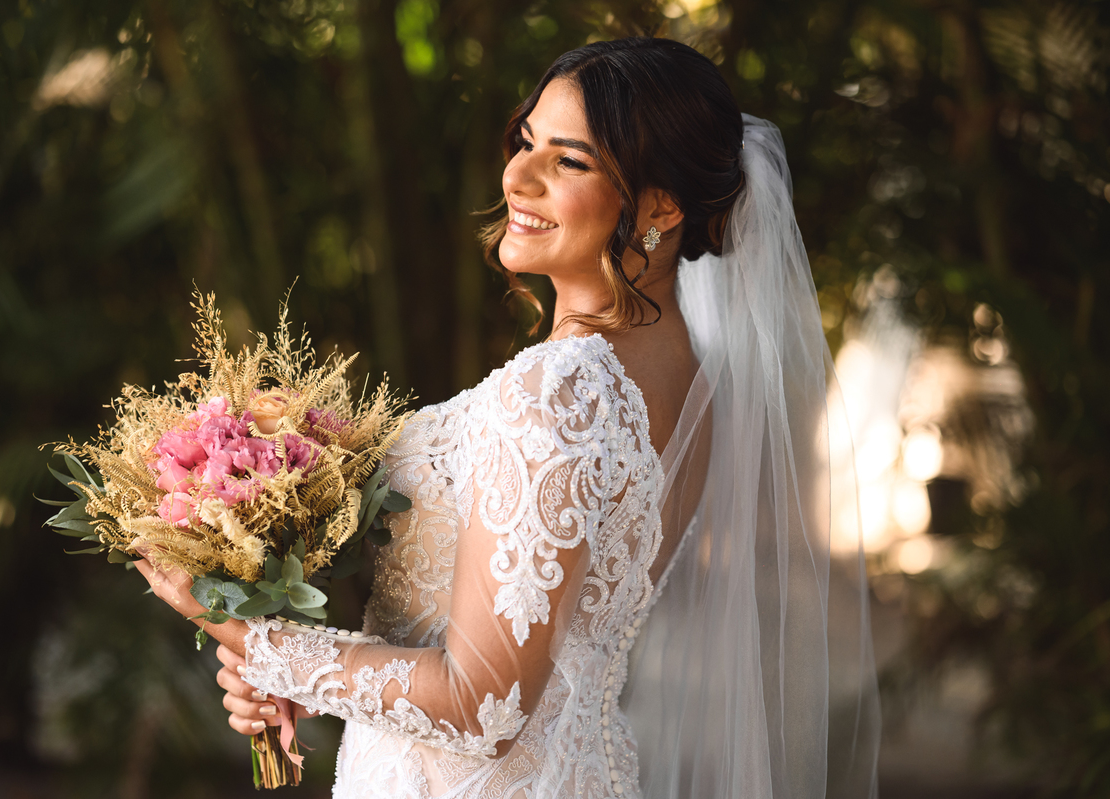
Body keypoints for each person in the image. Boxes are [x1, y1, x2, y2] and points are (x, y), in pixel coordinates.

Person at [137, 37, 881, 799]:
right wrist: (300, 668)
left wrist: (240, 628)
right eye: (526, 142)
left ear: (661, 205)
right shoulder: (689, 382)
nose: (518, 177)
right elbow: (516, 640)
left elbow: (481, 705)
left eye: (570, 161)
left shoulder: (561, 390)